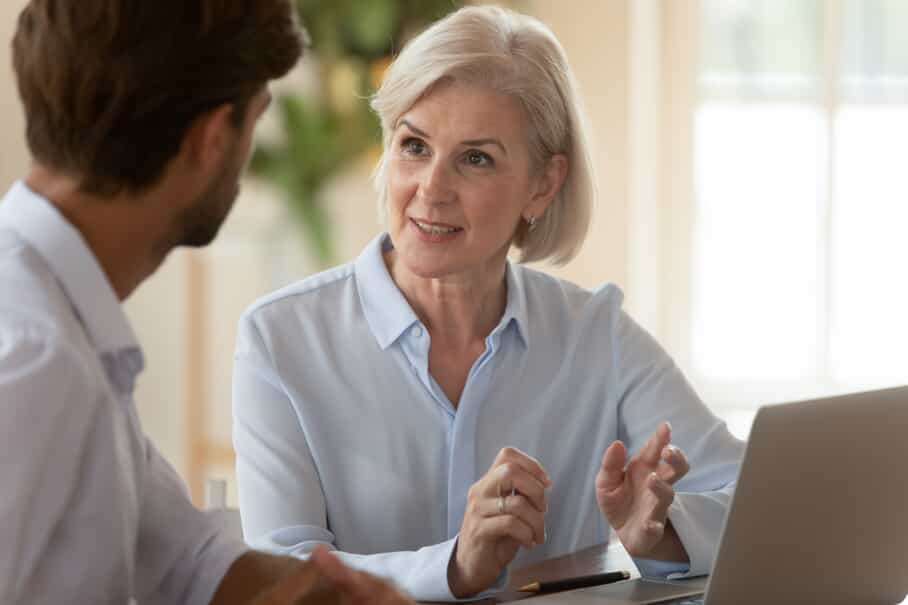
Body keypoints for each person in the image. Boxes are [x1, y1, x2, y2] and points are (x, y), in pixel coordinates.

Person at [232, 5, 745, 602]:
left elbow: (753, 496)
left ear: (543, 184)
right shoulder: (280, 338)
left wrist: (659, 534)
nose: (431, 189)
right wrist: (453, 566)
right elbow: (280, 580)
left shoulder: (595, 333)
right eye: (414, 145)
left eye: (475, 158)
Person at [0, 2, 416, 604]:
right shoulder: (39, 357)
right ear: (213, 139)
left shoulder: (70, 328)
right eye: (255, 124)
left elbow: (186, 560)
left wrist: (342, 592)